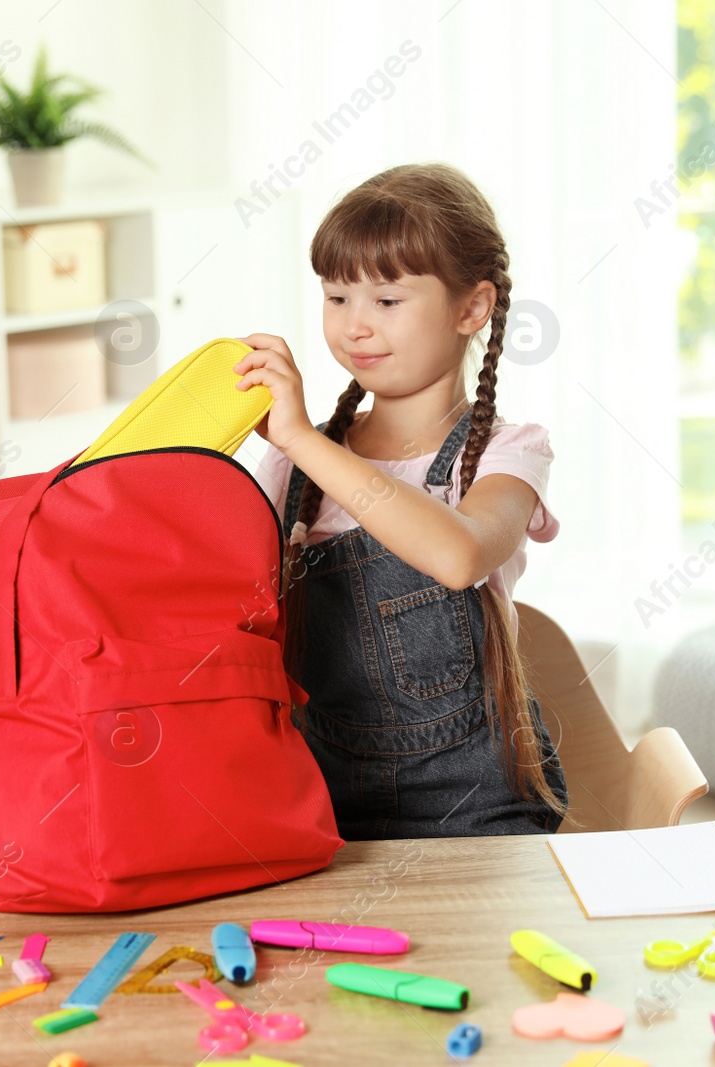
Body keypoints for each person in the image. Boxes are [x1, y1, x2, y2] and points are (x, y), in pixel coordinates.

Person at [236, 161, 568, 839]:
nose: (355, 326)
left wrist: (302, 437)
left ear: (471, 308)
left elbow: (457, 554)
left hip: (481, 807)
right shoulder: (291, 466)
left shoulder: (509, 454)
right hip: (323, 806)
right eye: (336, 297)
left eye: (386, 301)